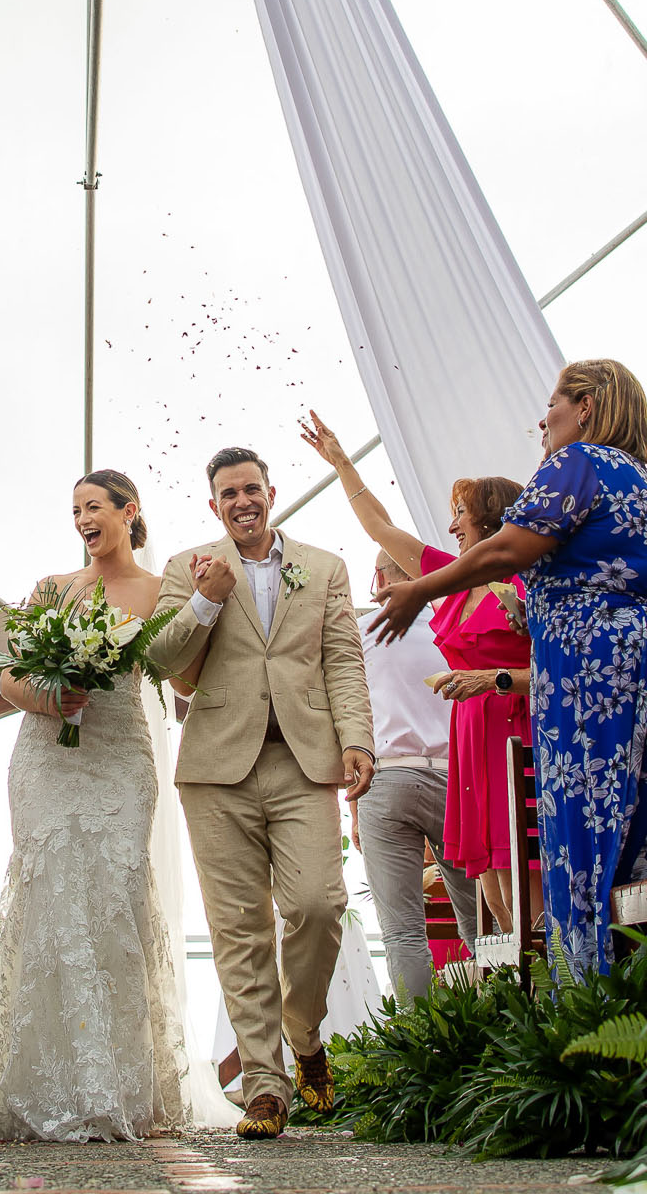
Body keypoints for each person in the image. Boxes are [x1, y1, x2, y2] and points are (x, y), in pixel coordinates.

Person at [372, 361, 647, 974]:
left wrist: (420, 589)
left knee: (595, 838)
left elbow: (507, 548)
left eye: (553, 405)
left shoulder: (579, 463)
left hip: (601, 686)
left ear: (587, 407)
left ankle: (599, 988)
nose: (543, 421)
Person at [148, 447, 373, 1140]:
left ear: (271, 493)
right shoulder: (187, 568)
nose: (242, 501)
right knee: (238, 928)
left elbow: (343, 660)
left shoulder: (325, 567)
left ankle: (304, 1030)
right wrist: (206, 599)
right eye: (228, 493)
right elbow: (159, 658)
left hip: (304, 762)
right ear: (213, 505)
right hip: (217, 768)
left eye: (251, 489)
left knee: (318, 905)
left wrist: (357, 739)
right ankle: (265, 1087)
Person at [0, 469, 189, 1142]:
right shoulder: (51, 589)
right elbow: (9, 675)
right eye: (74, 511)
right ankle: (48, 1084)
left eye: (93, 507)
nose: (82, 520)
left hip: (121, 758)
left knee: (115, 897)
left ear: (129, 512)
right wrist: (49, 696)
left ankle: (120, 1084)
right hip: (47, 759)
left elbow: (182, 673)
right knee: (54, 898)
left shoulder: (159, 591)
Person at [295, 411, 516, 959]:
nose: (452, 527)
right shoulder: (453, 579)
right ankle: (516, 996)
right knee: (491, 901)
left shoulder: (525, 581)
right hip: (465, 750)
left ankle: (548, 995)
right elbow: (380, 528)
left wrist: (494, 677)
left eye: (461, 514)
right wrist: (342, 463)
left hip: (511, 737)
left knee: (512, 894)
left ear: (491, 521)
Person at [350, 552, 471, 1003]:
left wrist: (354, 809)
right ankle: (495, 1016)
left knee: (402, 931)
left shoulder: (361, 633)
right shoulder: (451, 630)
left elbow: (352, 720)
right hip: (454, 780)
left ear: (380, 578)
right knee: (478, 917)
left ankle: (419, 1032)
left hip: (385, 778)